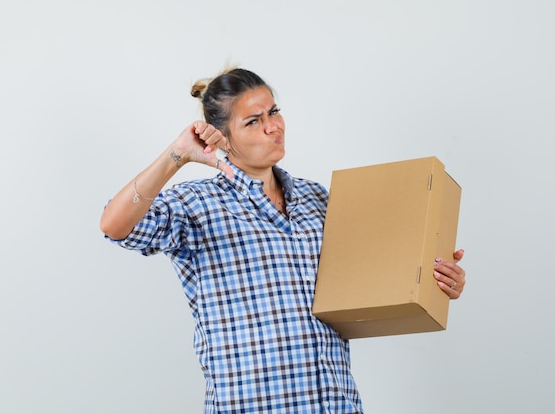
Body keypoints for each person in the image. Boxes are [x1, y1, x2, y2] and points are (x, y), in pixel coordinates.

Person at [100, 67, 466, 414]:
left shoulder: (318, 199)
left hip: (333, 402)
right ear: (221, 137)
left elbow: (368, 282)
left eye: (273, 112)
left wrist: (434, 274)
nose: (273, 127)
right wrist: (177, 154)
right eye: (253, 121)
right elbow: (114, 226)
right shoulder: (195, 205)